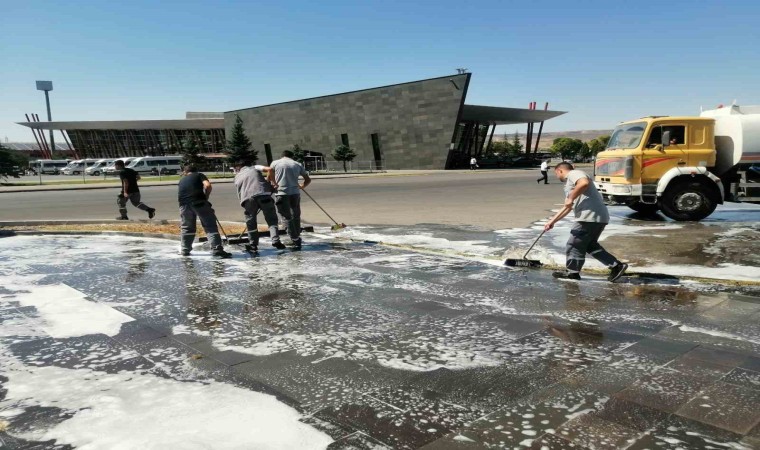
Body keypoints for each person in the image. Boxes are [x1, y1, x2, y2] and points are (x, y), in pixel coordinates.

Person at [543, 162, 628, 281]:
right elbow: (567, 206)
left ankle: (572, 272)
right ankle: (616, 266)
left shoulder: (574, 173)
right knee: (589, 245)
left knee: (574, 243)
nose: (557, 177)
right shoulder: (571, 185)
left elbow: (584, 183)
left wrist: (571, 197)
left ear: (560, 171)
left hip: (588, 216)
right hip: (597, 216)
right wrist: (552, 221)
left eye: (556, 174)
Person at [177, 165, 232, 258]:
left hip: (183, 205)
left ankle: (185, 250)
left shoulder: (182, 180)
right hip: (199, 202)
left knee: (187, 227)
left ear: (185, 172)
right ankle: (217, 249)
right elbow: (207, 185)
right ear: (195, 170)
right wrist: (205, 198)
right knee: (210, 226)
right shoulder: (199, 175)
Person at [233, 159, 286, 252]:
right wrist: (271, 183)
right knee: (272, 220)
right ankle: (275, 240)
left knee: (251, 223)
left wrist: (245, 204)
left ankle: (253, 245)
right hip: (264, 195)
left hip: (248, 199)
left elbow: (239, 193)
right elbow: (269, 169)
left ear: (238, 168)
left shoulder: (237, 176)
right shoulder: (254, 168)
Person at [269, 150, 311, 249]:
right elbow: (308, 179)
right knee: (296, 215)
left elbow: (269, 176)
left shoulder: (275, 163)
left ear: (282, 156)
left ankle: (295, 238)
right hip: (295, 193)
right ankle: (297, 235)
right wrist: (301, 186)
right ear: (291, 157)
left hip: (281, 193)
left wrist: (274, 184)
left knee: (285, 216)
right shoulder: (297, 164)